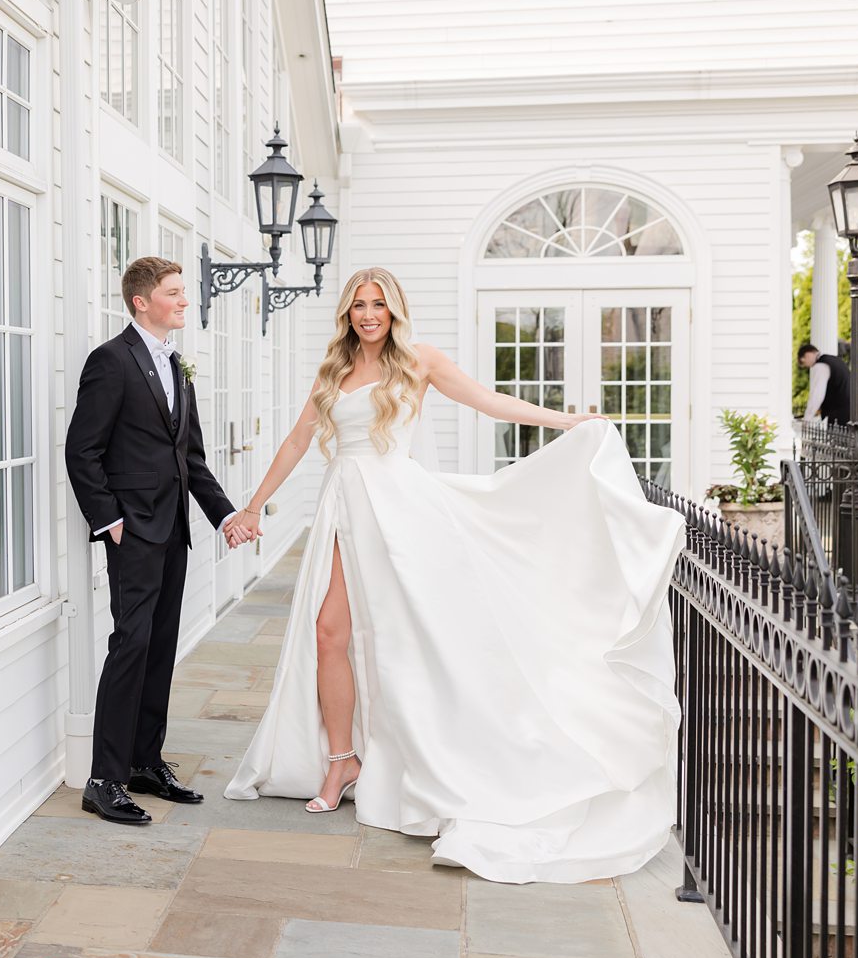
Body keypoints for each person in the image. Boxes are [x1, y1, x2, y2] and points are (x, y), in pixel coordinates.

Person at [221, 267, 686, 885]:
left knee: (406, 638)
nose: (367, 315)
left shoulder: (419, 360)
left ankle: (433, 753)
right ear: (347, 313)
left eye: (378, 304)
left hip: (399, 510)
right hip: (342, 504)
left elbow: (487, 401)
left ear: (395, 310)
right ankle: (341, 760)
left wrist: (567, 422)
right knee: (329, 634)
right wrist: (253, 506)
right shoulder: (334, 369)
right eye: (358, 305)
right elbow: (298, 439)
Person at [65, 256, 243, 825]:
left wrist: (224, 516)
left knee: (161, 647)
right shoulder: (110, 361)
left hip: (174, 533)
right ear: (142, 301)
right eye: (174, 293)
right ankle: (103, 779)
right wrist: (108, 520)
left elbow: (189, 457)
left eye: (183, 292)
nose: (184, 301)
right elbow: (82, 449)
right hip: (133, 532)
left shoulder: (176, 365)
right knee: (131, 646)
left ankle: (144, 761)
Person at [798, 343, 852, 425]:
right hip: (850, 411)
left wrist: (807, 419)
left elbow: (817, 394)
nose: (808, 367)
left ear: (807, 355)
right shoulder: (835, 360)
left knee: (835, 437)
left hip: (837, 415)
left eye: (804, 362)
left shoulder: (820, 365)